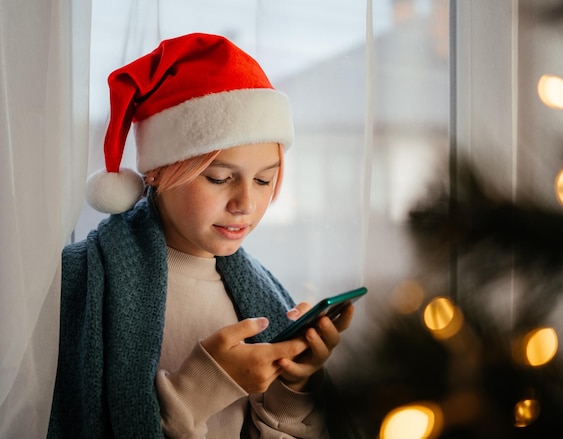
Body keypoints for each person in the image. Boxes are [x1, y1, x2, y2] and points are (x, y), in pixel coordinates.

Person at [47, 33, 355, 439]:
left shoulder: (260, 293)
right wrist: (203, 386)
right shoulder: (80, 281)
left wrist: (291, 388)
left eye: (264, 180)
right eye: (220, 178)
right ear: (157, 171)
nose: (245, 202)